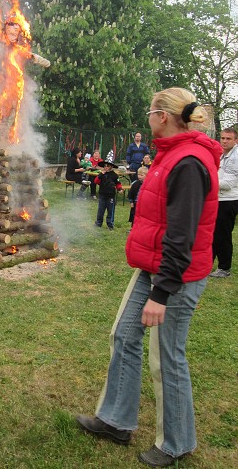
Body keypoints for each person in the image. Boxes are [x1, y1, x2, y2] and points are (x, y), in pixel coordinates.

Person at [76, 87, 222, 468]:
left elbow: (182, 235)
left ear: (163, 116)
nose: (147, 118)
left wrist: (162, 293)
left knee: (166, 357)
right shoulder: (170, 155)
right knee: (124, 334)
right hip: (152, 268)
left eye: (149, 111)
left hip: (176, 276)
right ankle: (115, 421)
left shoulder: (188, 162)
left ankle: (177, 443)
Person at [210, 127, 238, 278]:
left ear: (236, 141)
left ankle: (224, 268)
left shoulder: (235, 157)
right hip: (218, 198)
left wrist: (208, 181)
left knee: (223, 234)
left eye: (229, 139)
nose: (225, 141)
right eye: (223, 138)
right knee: (213, 233)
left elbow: (229, 183)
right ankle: (209, 263)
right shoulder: (222, 154)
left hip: (229, 200)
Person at [93, 151, 123, 230]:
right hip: (102, 195)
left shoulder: (114, 175)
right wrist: (100, 175)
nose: (106, 167)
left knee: (110, 211)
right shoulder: (102, 174)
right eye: (105, 166)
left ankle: (110, 224)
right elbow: (96, 181)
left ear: (111, 167)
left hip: (111, 196)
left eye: (107, 166)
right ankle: (98, 223)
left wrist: (120, 189)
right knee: (100, 210)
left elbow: (118, 183)